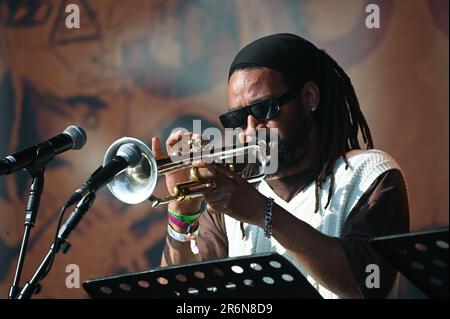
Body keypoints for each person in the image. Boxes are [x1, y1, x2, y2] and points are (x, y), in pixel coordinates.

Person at [151, 33, 409, 299]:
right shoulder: (232, 196)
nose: (250, 130)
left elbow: (367, 285)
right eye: (237, 117)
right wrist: (180, 214)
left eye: (264, 109)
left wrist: (261, 211)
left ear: (309, 97)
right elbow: (183, 296)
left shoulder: (369, 174)